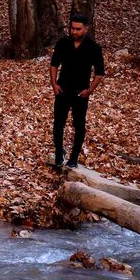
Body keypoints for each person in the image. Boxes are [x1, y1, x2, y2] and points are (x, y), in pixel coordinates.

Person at [50, 13, 105, 169]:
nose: (74, 31)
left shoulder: (94, 48)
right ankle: (59, 152)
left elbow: (99, 72)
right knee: (58, 123)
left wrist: (89, 90)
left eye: (78, 29)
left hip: (81, 92)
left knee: (79, 124)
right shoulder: (62, 43)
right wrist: (54, 84)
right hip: (62, 89)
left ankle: (74, 157)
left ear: (86, 29)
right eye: (72, 28)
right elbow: (54, 64)